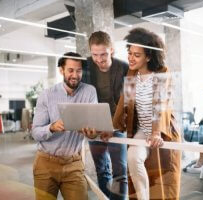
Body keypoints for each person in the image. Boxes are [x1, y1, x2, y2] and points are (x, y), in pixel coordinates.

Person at [113, 27, 181, 200]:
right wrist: (111, 127)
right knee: (133, 158)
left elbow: (161, 103)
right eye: (130, 53)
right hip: (143, 130)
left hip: (164, 130)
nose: (131, 57)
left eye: (137, 55)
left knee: (164, 178)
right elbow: (124, 103)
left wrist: (157, 131)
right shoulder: (132, 75)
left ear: (148, 57)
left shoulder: (161, 74)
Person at [32, 52, 97, 200]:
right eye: (70, 70)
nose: (75, 75)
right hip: (46, 163)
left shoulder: (89, 92)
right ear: (61, 70)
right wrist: (52, 127)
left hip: (73, 164)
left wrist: (92, 132)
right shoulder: (47, 95)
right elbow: (35, 132)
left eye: (79, 71)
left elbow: (93, 131)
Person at [81, 31, 128, 200]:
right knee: (102, 169)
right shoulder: (86, 66)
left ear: (112, 50)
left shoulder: (123, 67)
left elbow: (128, 103)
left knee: (120, 171)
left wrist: (114, 126)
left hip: (117, 124)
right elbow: (80, 97)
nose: (99, 59)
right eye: (95, 55)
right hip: (95, 123)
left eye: (103, 54)